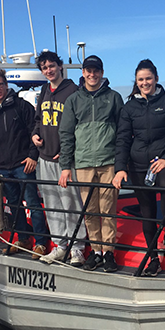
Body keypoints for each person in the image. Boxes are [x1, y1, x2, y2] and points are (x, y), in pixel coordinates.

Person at [112, 59, 165, 276]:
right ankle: (153, 258)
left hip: (163, 159)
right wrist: (120, 167)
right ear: (136, 82)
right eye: (141, 79)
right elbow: (123, 139)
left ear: (156, 78)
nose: (145, 83)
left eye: (148, 78)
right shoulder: (129, 107)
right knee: (147, 211)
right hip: (137, 163)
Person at [59, 55, 124, 272]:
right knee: (91, 210)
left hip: (108, 162)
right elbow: (66, 134)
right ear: (83, 72)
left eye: (96, 70)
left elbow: (123, 133)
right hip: (84, 163)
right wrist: (66, 166)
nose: (92, 74)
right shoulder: (73, 100)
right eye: (88, 70)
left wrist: (121, 164)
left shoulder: (114, 97)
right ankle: (96, 251)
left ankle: (108, 253)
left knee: (108, 209)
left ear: (102, 73)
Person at [0, 69, 49, 258]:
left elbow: (35, 133)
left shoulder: (22, 106)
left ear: (6, 84)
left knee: (33, 203)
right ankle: (24, 239)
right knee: (13, 205)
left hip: (23, 164)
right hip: (3, 167)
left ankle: (41, 243)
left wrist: (32, 156)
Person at [32, 51, 87, 266]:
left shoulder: (73, 90)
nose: (48, 70)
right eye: (44, 68)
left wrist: (68, 151)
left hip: (66, 159)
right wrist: (35, 134)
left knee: (71, 203)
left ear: (59, 66)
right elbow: (38, 119)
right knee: (52, 203)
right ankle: (60, 245)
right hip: (45, 157)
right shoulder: (44, 90)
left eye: (51, 66)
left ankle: (77, 248)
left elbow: (80, 126)